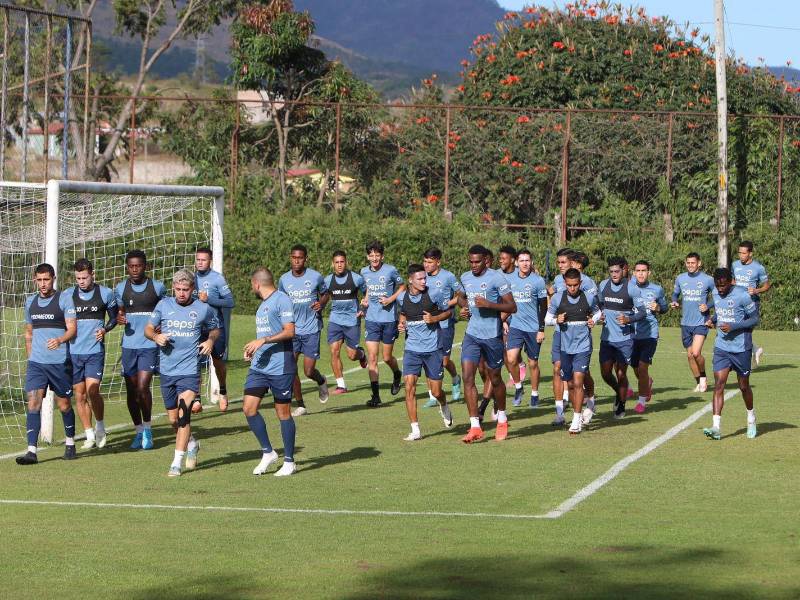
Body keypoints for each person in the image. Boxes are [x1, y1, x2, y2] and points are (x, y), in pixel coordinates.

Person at [146, 270, 220, 476]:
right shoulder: (163, 305)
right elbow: (149, 329)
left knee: (184, 415)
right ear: (173, 288)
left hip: (189, 371)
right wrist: (156, 337)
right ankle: (192, 444)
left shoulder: (203, 309)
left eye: (185, 290)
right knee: (173, 421)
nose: (181, 293)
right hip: (167, 370)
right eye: (178, 289)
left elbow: (216, 329)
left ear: (192, 290)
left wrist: (210, 340)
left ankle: (176, 463)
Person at [16, 264, 78, 465]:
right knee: (33, 403)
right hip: (37, 364)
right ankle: (31, 451)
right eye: (39, 280)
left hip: (59, 363)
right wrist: (31, 358)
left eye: (46, 279)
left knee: (64, 405)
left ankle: (70, 442)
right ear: (35, 280)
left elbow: (72, 330)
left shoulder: (64, 299)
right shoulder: (30, 302)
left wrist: (60, 340)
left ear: (53, 278)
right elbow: (29, 333)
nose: (43, 284)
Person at [457, 244, 516, 442]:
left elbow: (512, 306)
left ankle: (502, 418)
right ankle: (475, 426)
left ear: (485, 261)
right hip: (472, 335)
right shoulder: (465, 277)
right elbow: (461, 296)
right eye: (471, 261)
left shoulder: (496, 278)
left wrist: (490, 305)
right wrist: (464, 307)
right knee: (467, 376)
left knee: (495, 378)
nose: (473, 265)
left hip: (492, 336)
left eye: (477, 261)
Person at [242, 268, 298, 476]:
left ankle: (290, 461)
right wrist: (253, 350)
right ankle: (268, 452)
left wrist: (263, 340)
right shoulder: (263, 306)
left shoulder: (281, 300)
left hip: (280, 366)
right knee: (249, 408)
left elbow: (290, 331)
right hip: (260, 366)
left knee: (283, 413)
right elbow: (263, 335)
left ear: (256, 283)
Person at [115, 250, 167, 450]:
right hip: (129, 346)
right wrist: (120, 318)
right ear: (127, 267)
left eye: (138, 265)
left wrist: (162, 325)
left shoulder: (158, 288)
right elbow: (119, 313)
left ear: (146, 266)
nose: (135, 269)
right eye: (131, 266)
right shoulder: (121, 289)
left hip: (149, 345)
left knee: (143, 387)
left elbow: (167, 311)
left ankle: (148, 429)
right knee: (131, 391)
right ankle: (138, 431)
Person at [397, 264, 454, 440]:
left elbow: (449, 312)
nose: (424, 281)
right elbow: (404, 313)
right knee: (409, 388)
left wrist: (434, 318)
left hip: (433, 349)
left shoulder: (434, 294)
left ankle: (443, 405)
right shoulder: (401, 298)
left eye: (425, 278)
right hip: (412, 350)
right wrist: (401, 323)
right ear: (410, 280)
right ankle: (415, 430)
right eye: (420, 278)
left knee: (436, 392)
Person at [703, 268, 759, 440]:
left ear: (731, 281)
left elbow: (755, 318)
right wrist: (712, 320)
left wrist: (733, 327)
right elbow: (720, 312)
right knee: (719, 384)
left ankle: (751, 418)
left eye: (723, 285)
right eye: (717, 286)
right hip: (722, 348)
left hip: (741, 348)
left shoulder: (742, 295)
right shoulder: (716, 293)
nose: (720, 289)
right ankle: (716, 427)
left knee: (743, 386)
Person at [68, 259, 118, 450]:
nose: (81, 281)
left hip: (94, 351)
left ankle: (100, 427)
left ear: (92, 275)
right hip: (73, 352)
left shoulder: (105, 293)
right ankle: (88, 434)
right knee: (79, 395)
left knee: (92, 391)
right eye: (78, 278)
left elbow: (114, 318)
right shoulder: (68, 295)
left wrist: (105, 330)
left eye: (85, 277)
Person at [545, 268, 602, 435]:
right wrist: (556, 319)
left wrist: (593, 320)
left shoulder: (589, 298)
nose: (572, 288)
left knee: (578, 381)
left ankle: (576, 420)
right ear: (565, 284)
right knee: (569, 383)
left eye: (575, 285)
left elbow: (598, 312)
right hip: (565, 347)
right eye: (569, 285)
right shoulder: (557, 299)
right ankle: (585, 406)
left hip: (583, 347)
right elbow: (547, 319)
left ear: (580, 283)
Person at [279, 244, 329, 416]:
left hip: (311, 329)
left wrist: (321, 304)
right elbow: (280, 301)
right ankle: (300, 404)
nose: (296, 260)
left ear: (305, 258)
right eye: (293, 257)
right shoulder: (284, 280)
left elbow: (326, 293)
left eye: (300, 257)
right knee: (291, 368)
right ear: (290, 258)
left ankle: (321, 380)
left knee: (308, 371)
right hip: (292, 330)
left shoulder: (315, 276)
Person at [597, 257, 645, 421]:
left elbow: (642, 312)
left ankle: (622, 404)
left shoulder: (632, 289)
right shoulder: (603, 285)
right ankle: (619, 391)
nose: (614, 274)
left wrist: (628, 320)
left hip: (625, 339)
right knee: (605, 373)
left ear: (623, 271)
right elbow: (599, 304)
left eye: (617, 271)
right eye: (611, 272)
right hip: (607, 338)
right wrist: (601, 315)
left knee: (621, 373)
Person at [360, 240, 405, 407]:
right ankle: (376, 396)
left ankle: (396, 373)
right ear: (367, 256)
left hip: (388, 320)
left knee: (386, 357)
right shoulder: (364, 272)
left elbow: (402, 286)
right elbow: (368, 290)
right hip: (371, 319)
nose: (374, 258)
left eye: (377, 255)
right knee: (372, 357)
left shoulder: (391, 270)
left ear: (382, 256)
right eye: (371, 255)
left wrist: (390, 299)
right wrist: (364, 301)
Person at [502, 249, 547, 407]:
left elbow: (543, 307)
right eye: (521, 261)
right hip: (516, 326)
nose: (525, 263)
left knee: (532, 363)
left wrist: (541, 329)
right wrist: (504, 320)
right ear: (516, 262)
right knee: (511, 358)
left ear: (531, 262)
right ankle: (519, 387)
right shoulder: (509, 279)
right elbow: (506, 303)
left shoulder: (538, 281)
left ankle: (535, 394)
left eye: (527, 260)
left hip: (533, 328)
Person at [194, 247, 235, 410]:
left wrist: (209, 299)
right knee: (194, 362)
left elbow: (230, 302)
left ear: (210, 261)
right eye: (198, 259)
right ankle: (196, 398)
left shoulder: (217, 279)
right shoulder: (190, 279)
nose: (200, 262)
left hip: (215, 328)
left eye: (203, 260)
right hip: (196, 328)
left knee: (218, 362)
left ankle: (223, 390)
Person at [422, 248, 461, 406]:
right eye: (425, 262)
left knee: (444, 362)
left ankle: (455, 378)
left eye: (430, 262)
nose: (426, 265)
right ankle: (432, 395)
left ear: (438, 262)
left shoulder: (448, 276)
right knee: (428, 359)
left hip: (445, 323)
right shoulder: (421, 277)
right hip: (427, 325)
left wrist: (446, 304)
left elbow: (461, 294)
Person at [324, 250, 367, 394]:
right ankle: (341, 385)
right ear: (332, 264)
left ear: (346, 262)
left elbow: (368, 292)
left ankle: (361, 354)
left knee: (352, 355)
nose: (340, 265)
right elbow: (322, 295)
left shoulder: (356, 278)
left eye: (342, 262)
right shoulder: (327, 280)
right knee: (334, 351)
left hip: (352, 320)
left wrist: (363, 307)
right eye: (337, 262)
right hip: (335, 320)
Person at [671, 252, 715, 393]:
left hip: (701, 321)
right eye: (688, 263)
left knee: (696, 353)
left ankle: (703, 377)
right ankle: (699, 382)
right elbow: (675, 294)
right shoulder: (680, 278)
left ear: (699, 263)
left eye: (693, 263)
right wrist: (674, 301)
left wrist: (708, 306)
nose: (690, 265)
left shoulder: (708, 279)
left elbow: (718, 297)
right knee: (690, 355)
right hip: (686, 322)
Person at [630, 260, 668, 414]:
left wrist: (659, 308)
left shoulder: (657, 289)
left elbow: (664, 308)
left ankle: (641, 401)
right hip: (632, 334)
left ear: (649, 273)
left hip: (650, 334)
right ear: (634, 273)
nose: (641, 273)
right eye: (638, 270)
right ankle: (647, 383)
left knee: (642, 367)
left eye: (644, 270)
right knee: (635, 366)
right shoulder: (629, 288)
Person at [732, 240, 770, 365]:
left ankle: (745, 362)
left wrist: (756, 290)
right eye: (739, 253)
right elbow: (732, 280)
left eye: (744, 253)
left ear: (750, 254)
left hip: (752, 304)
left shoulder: (758, 268)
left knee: (745, 332)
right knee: (738, 332)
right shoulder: (735, 265)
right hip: (737, 304)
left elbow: (766, 286)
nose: (741, 255)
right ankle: (755, 349)